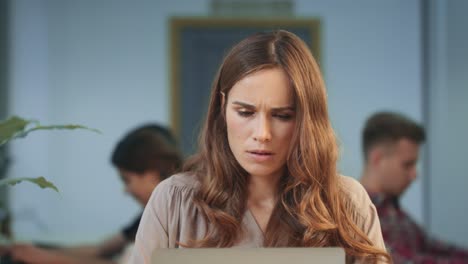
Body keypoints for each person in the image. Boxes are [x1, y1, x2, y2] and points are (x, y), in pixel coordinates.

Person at [129, 30, 390, 264]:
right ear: (223, 106)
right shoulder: (174, 200)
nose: (262, 134)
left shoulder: (347, 203)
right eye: (245, 112)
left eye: (283, 115)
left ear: (305, 119)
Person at [4, 124, 182, 264]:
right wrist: (37, 250)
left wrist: (46, 257)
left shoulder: (172, 214)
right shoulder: (148, 215)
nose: (125, 191)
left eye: (127, 180)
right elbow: (101, 249)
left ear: (151, 174)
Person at [360, 111, 468, 263]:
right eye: (407, 165)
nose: (414, 175)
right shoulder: (357, 217)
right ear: (377, 159)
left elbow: (434, 247)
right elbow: (397, 260)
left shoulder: (397, 215)